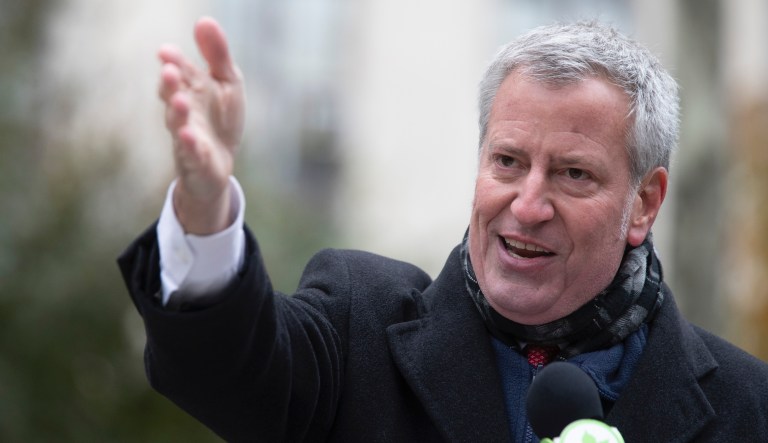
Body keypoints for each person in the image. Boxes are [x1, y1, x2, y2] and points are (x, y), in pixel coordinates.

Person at [119, 17, 768, 442]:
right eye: (508, 162)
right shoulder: (358, 327)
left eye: (572, 173)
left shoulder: (748, 406)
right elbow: (225, 369)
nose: (528, 203)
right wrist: (203, 208)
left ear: (645, 202)